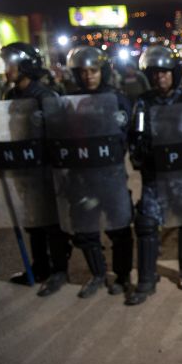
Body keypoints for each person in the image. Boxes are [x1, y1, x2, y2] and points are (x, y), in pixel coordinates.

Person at [125, 46, 182, 305]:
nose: (159, 77)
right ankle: (146, 280)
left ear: (173, 73)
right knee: (146, 224)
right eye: (154, 73)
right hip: (156, 175)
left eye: (164, 72)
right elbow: (136, 136)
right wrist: (139, 152)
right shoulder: (144, 102)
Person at [0, 42, 74, 297]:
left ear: (26, 66)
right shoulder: (10, 96)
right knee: (33, 222)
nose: (6, 69)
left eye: (10, 64)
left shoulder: (45, 96)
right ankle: (39, 267)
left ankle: (59, 270)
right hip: (24, 168)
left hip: (45, 169)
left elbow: (60, 133)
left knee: (52, 223)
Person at [62, 45, 134, 297]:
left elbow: (126, 133)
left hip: (111, 176)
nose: (88, 75)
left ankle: (123, 275)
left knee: (119, 228)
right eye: (83, 71)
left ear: (102, 71)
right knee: (86, 229)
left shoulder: (117, 99)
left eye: (93, 70)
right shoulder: (70, 103)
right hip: (82, 177)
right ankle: (98, 274)